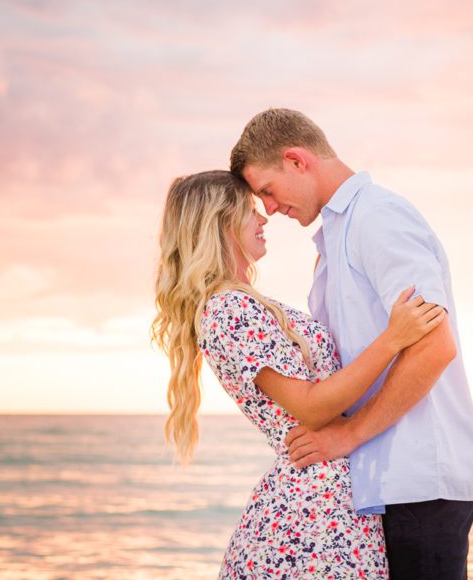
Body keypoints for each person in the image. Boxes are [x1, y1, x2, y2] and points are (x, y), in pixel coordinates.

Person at [151, 170, 447, 579]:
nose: (264, 219)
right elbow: (310, 406)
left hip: (328, 501)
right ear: (220, 223)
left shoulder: (244, 303)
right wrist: (393, 339)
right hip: (311, 518)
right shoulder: (227, 310)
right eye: (250, 210)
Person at [230, 108, 473, 579]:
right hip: (378, 485)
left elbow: (434, 345)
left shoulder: (377, 217)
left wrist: (348, 435)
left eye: (267, 189)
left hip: (417, 483)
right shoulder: (336, 238)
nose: (268, 208)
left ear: (296, 160)